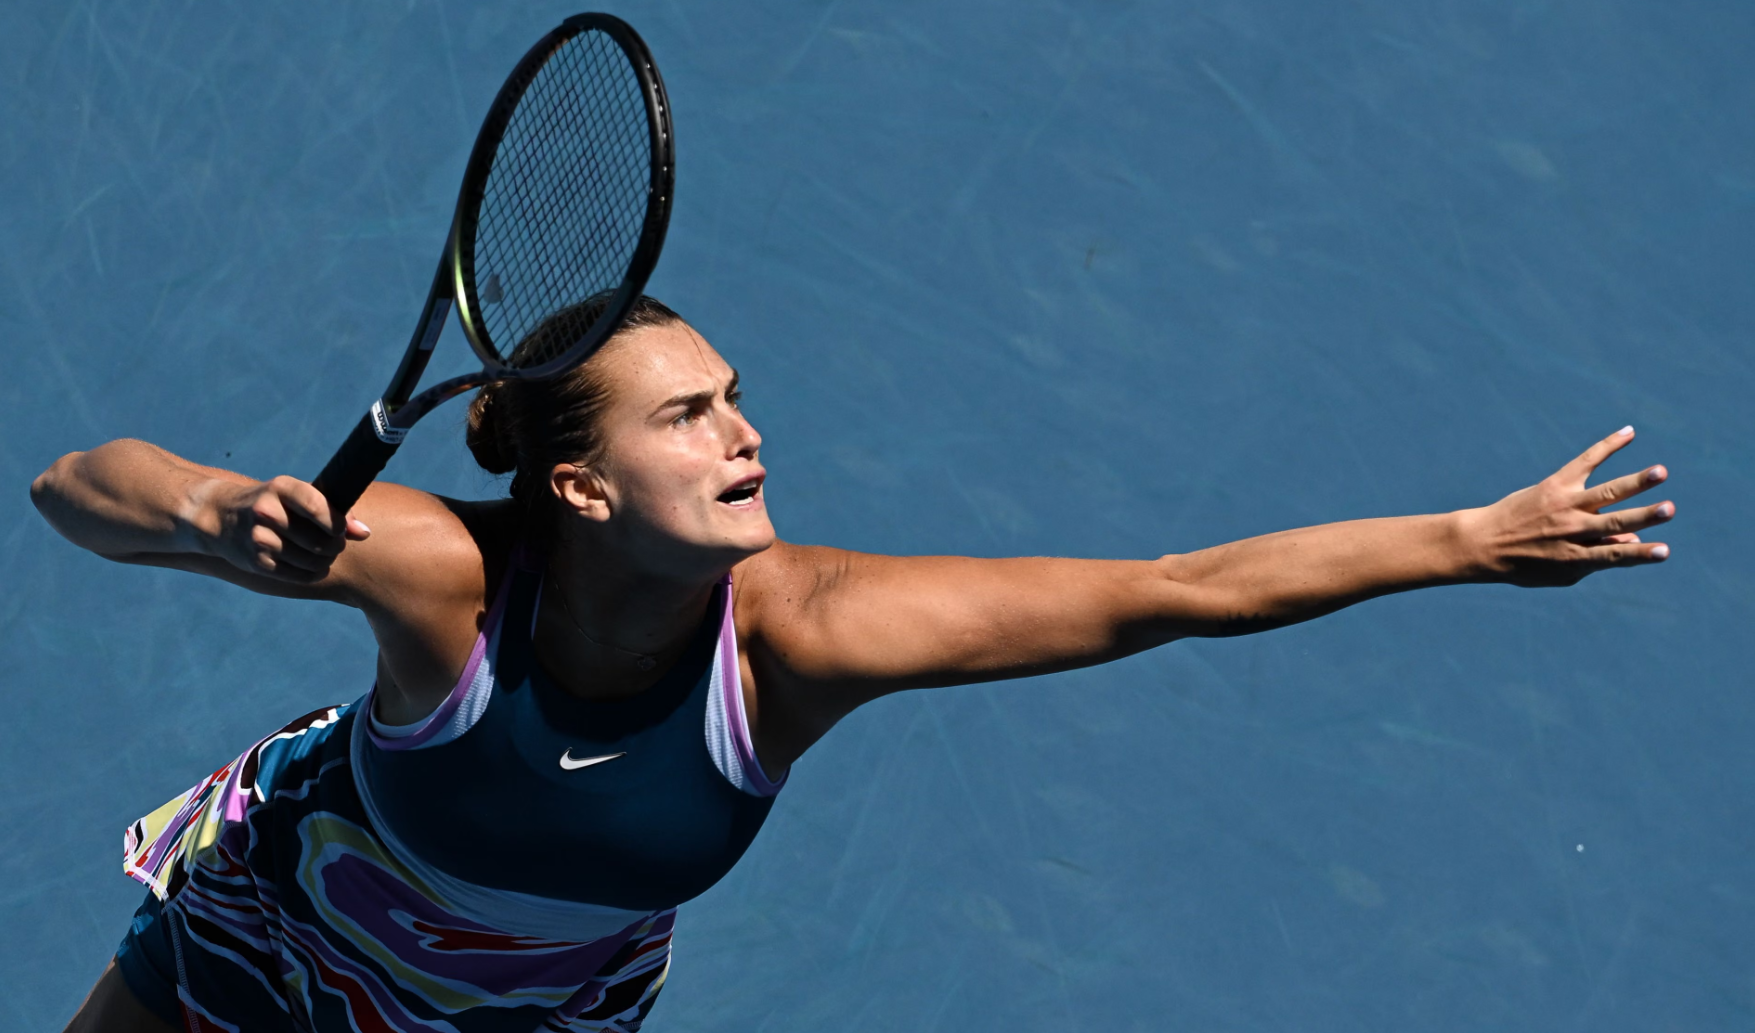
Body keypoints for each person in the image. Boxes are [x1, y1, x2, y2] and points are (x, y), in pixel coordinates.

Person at [32, 295, 1675, 1032]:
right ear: (581, 487)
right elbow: (72, 489)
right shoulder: (442, 576)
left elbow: (1176, 588)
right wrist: (202, 507)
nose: (746, 434)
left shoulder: (812, 637)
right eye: (688, 417)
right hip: (286, 904)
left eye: (734, 396)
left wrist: (1466, 539)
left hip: (521, 1018)